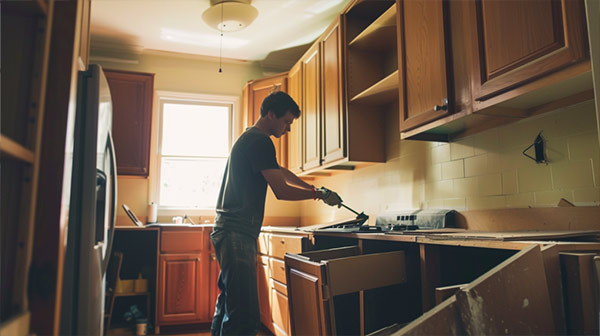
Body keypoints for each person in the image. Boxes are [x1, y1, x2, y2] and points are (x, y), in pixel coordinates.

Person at [210, 91, 342, 335]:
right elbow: (281, 190)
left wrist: (315, 188)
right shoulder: (260, 141)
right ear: (271, 114)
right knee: (245, 315)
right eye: (287, 122)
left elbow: (280, 172)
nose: (288, 129)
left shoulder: (251, 137)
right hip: (237, 232)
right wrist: (318, 196)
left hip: (229, 230)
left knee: (229, 302)